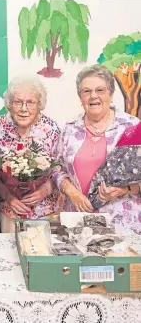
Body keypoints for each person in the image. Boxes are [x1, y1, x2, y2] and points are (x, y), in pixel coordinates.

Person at [53, 64, 141, 228]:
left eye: (100, 90)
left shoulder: (132, 128)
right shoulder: (70, 128)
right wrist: (72, 193)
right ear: (80, 97)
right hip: (77, 221)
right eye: (86, 91)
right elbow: (56, 168)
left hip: (121, 222)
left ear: (111, 94)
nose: (93, 96)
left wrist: (126, 188)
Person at [0, 76, 61, 232]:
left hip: (45, 210)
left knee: (42, 253)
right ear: (9, 105)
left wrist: (44, 190)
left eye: (30, 102)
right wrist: (8, 197)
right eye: (18, 102)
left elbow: (60, 170)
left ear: (40, 105)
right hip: (9, 209)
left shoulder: (51, 129)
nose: (24, 108)